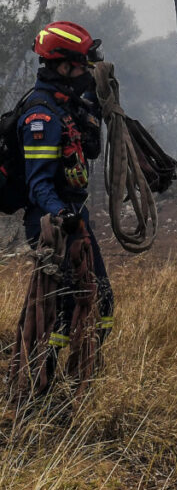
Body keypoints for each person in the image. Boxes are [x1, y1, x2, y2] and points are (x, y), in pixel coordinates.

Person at [19, 21, 113, 390]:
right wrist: (62, 217)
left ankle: (81, 381)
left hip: (77, 217)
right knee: (60, 311)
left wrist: (97, 95)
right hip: (50, 223)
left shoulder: (70, 104)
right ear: (61, 67)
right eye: (80, 66)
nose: (85, 71)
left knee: (102, 301)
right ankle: (40, 393)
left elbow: (90, 146)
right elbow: (38, 183)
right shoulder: (40, 115)